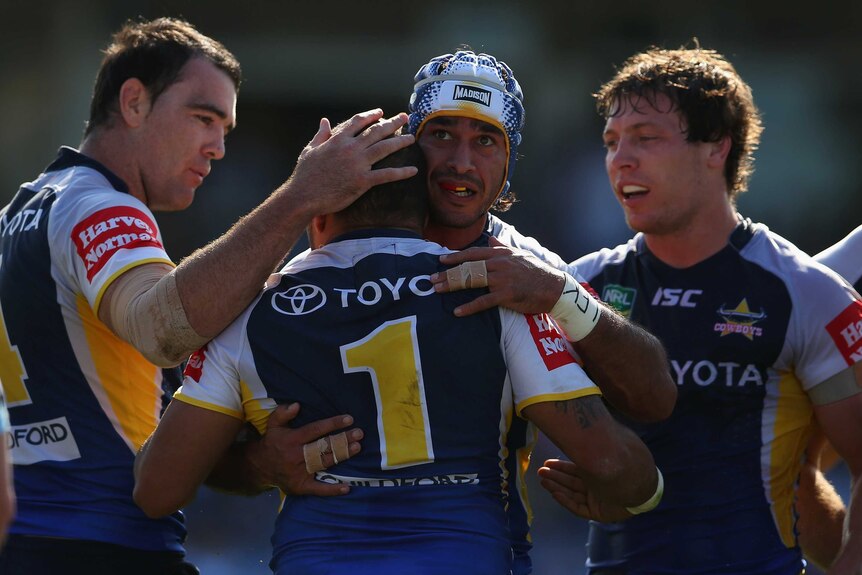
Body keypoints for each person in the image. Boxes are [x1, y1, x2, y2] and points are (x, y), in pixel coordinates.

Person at [0, 16, 414, 574]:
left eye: (226, 128)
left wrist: (259, 464)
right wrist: (300, 198)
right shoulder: (98, 207)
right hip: (103, 546)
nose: (217, 147)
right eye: (203, 118)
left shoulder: (17, 218)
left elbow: (141, 430)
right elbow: (162, 328)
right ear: (134, 102)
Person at [133, 142, 663, 575]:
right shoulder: (495, 289)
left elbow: (157, 490)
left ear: (316, 219)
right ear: (422, 215)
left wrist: (258, 465)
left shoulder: (254, 311)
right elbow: (616, 466)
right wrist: (640, 496)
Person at [242, 49, 677, 575]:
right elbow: (210, 455)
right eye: (442, 134)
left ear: (509, 162)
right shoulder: (326, 260)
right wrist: (258, 464)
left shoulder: (533, 271)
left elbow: (654, 397)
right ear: (410, 142)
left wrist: (561, 295)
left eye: (486, 141)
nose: (461, 162)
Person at [437, 44, 862, 573]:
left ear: (717, 149)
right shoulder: (580, 283)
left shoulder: (806, 292)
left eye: (647, 139)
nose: (621, 160)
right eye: (612, 143)